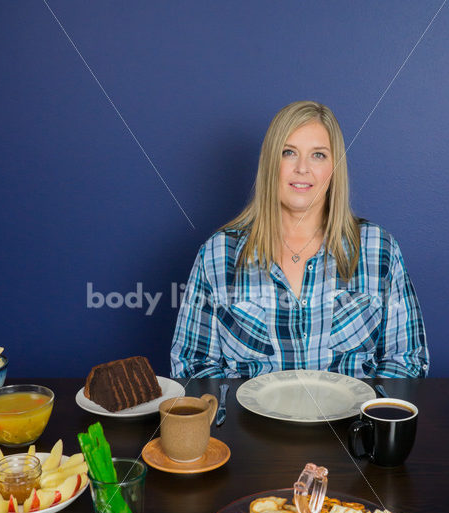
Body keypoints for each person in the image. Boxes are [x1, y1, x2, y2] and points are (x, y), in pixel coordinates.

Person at [170, 101, 429, 379]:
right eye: (288, 152)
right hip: (247, 422)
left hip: (352, 422)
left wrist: (363, 418)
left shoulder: (378, 249)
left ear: (334, 167)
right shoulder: (219, 254)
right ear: (270, 163)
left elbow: (407, 361)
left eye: (318, 155)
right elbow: (192, 365)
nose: (302, 168)